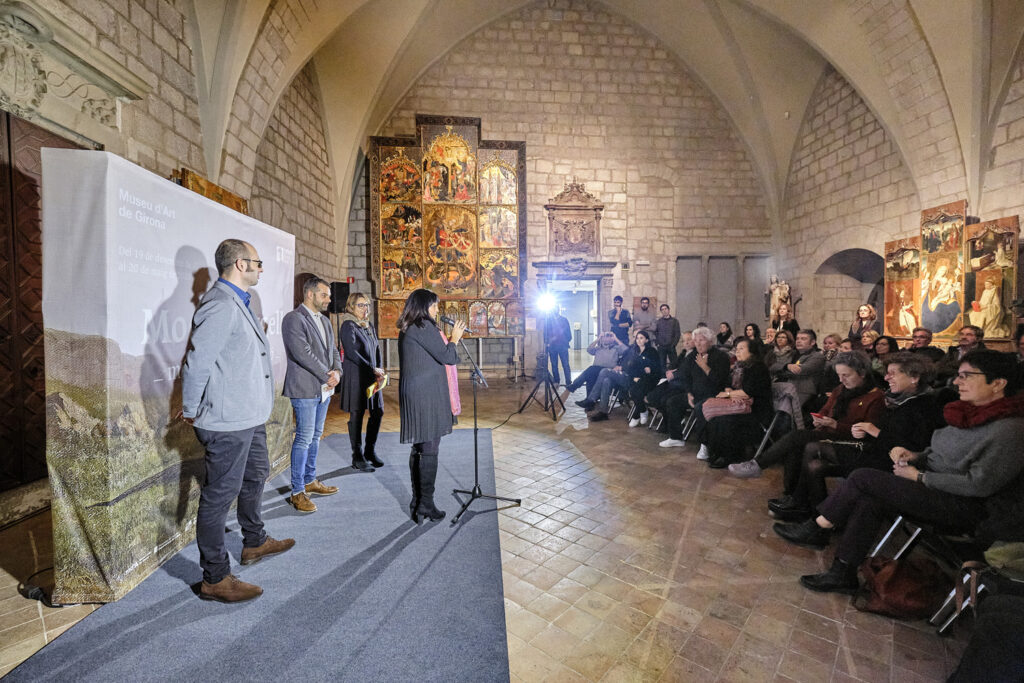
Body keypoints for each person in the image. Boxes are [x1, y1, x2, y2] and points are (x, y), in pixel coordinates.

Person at [774, 350, 1024, 594]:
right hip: (930, 483)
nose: (957, 381)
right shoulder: (965, 412)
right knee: (870, 497)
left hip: (961, 505)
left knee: (862, 477)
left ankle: (819, 526)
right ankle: (843, 571)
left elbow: (978, 484)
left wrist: (920, 476)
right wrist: (914, 456)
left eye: (966, 376)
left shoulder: (1009, 430)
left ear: (998, 383)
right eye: (958, 375)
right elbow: (936, 450)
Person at [181, 238, 294, 603]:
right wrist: (190, 408)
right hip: (228, 419)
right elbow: (196, 363)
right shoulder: (219, 304)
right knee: (218, 497)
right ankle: (214, 577)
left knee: (256, 474)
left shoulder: (238, 302)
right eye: (258, 263)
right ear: (240, 265)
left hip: (249, 415)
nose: (261, 269)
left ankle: (254, 541)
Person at [767, 352, 943, 522]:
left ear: (914, 378)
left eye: (892, 373)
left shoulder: (921, 406)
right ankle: (814, 514)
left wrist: (873, 431)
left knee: (810, 446)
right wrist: (866, 430)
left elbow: (910, 447)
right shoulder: (897, 400)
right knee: (813, 460)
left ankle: (806, 510)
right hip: (873, 450)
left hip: (885, 461)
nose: (886, 378)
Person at [728, 350, 885, 479]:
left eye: (846, 375)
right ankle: (791, 497)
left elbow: (866, 432)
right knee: (796, 447)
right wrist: (820, 418)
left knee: (798, 438)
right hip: (830, 433)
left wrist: (836, 425)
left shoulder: (875, 397)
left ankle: (758, 465)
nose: (841, 380)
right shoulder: (841, 389)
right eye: (839, 375)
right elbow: (826, 409)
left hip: (851, 442)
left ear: (862, 373)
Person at [398, 288, 466, 523]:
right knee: (429, 447)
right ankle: (425, 504)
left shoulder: (411, 326)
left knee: (420, 446)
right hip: (425, 396)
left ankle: (418, 502)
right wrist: (454, 339)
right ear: (423, 307)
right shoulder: (423, 326)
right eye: (434, 305)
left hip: (419, 393)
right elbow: (447, 356)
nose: (437, 310)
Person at [282, 276, 343, 514]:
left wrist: (337, 371)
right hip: (305, 388)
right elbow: (302, 353)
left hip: (323, 389)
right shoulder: (293, 319)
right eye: (324, 295)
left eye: (329, 296)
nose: (328, 299)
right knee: (304, 438)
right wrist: (327, 375)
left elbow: (334, 350)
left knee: (316, 436)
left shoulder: (325, 321)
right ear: (310, 294)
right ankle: (297, 492)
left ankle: (310, 480)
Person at [659, 326, 730, 453]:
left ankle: (705, 445)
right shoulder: (693, 355)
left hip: (714, 395)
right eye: (696, 340)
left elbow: (720, 380)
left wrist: (705, 367)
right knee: (672, 402)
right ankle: (676, 437)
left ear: (710, 341)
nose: (698, 343)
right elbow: (686, 377)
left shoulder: (721, 356)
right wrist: (689, 393)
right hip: (695, 394)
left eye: (701, 340)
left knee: (700, 408)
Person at [703, 338, 773, 468]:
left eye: (741, 348)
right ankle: (716, 453)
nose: (737, 352)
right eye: (736, 349)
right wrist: (730, 392)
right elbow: (729, 384)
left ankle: (729, 456)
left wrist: (728, 395)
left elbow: (748, 392)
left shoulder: (758, 367)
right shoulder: (738, 366)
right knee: (715, 417)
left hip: (756, 410)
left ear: (751, 351)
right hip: (738, 406)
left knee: (726, 420)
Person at [339, 292, 386, 473]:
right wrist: (372, 368)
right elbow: (352, 353)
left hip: (372, 376)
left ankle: (370, 451)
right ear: (351, 307)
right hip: (357, 376)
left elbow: (376, 349)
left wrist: (379, 368)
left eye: (366, 304)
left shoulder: (368, 325)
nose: (365, 308)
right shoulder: (348, 325)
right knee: (357, 414)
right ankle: (357, 456)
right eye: (360, 305)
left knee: (378, 411)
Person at [581, 329, 661, 422]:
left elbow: (654, 367)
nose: (637, 340)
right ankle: (603, 412)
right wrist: (621, 367)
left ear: (646, 340)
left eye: (640, 338)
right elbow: (627, 362)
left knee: (604, 371)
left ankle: (591, 399)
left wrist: (622, 367)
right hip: (624, 376)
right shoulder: (633, 349)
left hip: (635, 379)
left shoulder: (651, 351)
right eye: (636, 337)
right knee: (606, 380)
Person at [569, 332, 627, 397]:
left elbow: (626, 350)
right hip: (596, 371)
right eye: (605, 336)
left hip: (608, 371)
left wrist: (616, 338)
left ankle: (574, 385)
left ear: (612, 339)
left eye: (609, 336)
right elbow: (589, 349)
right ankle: (589, 399)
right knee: (590, 377)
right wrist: (598, 339)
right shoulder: (598, 348)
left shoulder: (616, 348)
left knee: (591, 369)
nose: (607, 338)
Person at [543, 308, 573, 386]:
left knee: (565, 364)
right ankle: (556, 381)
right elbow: (545, 333)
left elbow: (568, 333)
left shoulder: (564, 320)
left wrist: (566, 341)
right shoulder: (548, 321)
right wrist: (547, 342)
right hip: (552, 346)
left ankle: (568, 381)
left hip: (562, 346)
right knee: (554, 365)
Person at [654, 303, 681, 370]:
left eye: (665, 309)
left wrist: (673, 345)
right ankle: (663, 376)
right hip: (661, 347)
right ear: (661, 311)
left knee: (674, 364)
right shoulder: (658, 322)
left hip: (671, 346)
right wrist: (657, 343)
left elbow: (677, 334)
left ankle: (673, 376)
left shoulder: (675, 321)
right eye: (662, 309)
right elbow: (655, 333)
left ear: (668, 310)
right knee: (661, 364)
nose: (664, 311)